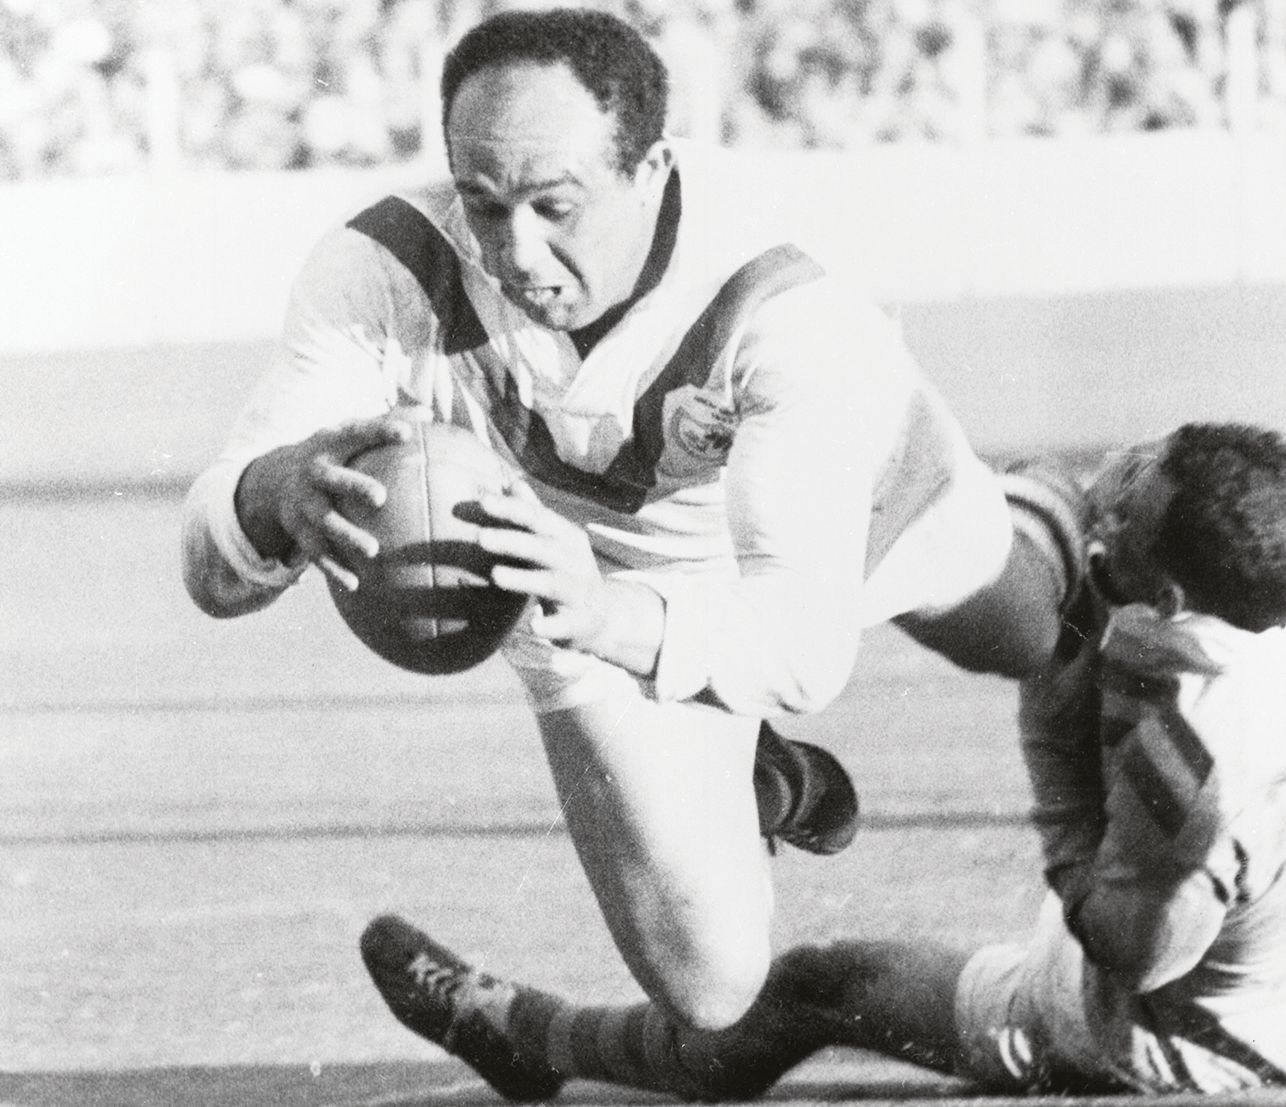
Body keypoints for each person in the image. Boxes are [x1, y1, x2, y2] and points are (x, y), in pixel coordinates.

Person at [181, 8, 1082, 1031]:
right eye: (482, 203)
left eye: (554, 206)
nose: (515, 251)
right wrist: (271, 493)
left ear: (650, 169)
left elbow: (802, 648)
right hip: (577, 570)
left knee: (1028, 633)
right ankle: (741, 775)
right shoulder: (380, 269)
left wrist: (613, 615)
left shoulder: (781, 302)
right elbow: (208, 571)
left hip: (854, 504)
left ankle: (1051, 508)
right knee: (710, 985)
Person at [358, 421, 1286, 1098]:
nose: (1113, 492)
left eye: (1131, 513)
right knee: (1040, 571)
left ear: (1173, 600)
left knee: (815, 988)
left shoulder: (1195, 758)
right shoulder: (1234, 607)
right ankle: (744, 738)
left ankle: (529, 1035)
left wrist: (1052, 733)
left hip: (1161, 1034)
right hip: (1241, 963)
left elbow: (1131, 953)